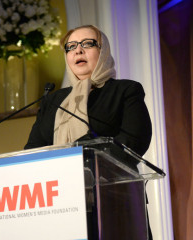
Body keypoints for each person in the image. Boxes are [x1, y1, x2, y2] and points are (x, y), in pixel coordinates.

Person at [24, 25, 153, 239]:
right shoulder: (53, 101)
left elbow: (134, 140)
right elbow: (32, 150)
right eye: (71, 46)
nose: (78, 51)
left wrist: (80, 154)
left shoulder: (125, 90)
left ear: (103, 51)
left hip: (114, 200)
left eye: (87, 44)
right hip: (60, 203)